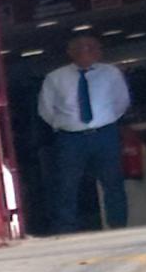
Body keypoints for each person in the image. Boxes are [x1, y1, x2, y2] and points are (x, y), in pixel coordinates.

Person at [33, 32, 130, 233]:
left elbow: (121, 102)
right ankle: (67, 228)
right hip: (71, 138)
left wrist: (107, 120)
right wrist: (65, 125)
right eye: (80, 49)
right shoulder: (56, 77)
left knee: (113, 181)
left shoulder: (111, 73)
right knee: (67, 184)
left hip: (104, 133)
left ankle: (118, 225)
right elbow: (46, 109)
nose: (85, 53)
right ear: (70, 53)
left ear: (98, 51)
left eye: (90, 48)